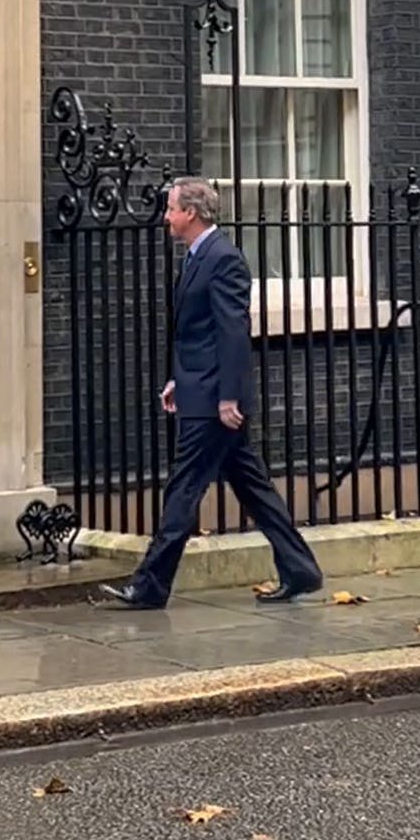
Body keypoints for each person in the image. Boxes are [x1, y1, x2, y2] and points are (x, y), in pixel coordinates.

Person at [99, 177, 324, 609]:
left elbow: (233, 333)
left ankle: (149, 587)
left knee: (182, 490)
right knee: (254, 488)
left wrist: (228, 397)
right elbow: (196, 335)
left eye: (170, 209)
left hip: (213, 404)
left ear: (191, 213)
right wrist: (176, 382)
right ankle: (300, 569)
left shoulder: (224, 259)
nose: (165, 217)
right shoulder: (197, 257)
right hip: (200, 390)